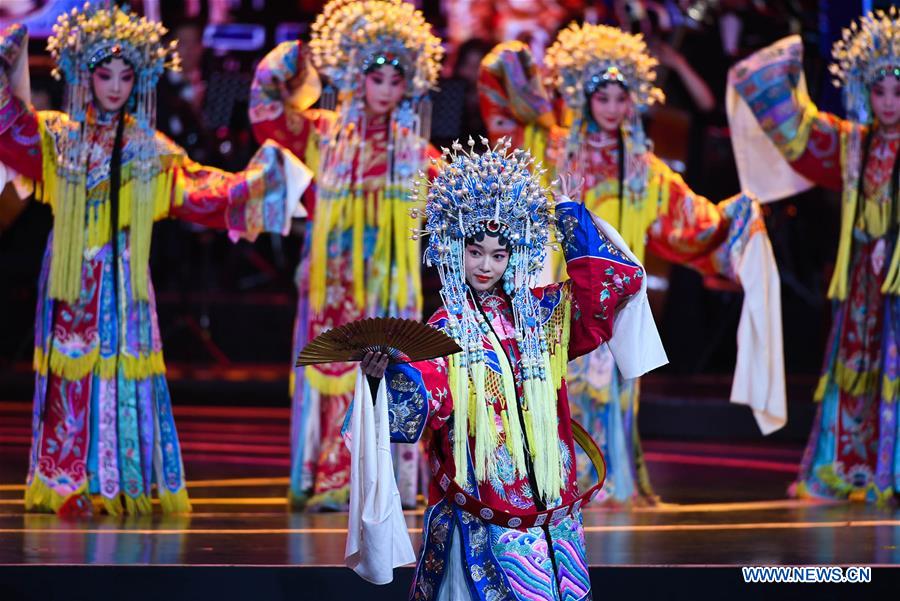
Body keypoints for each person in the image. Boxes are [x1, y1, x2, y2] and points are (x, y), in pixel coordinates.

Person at [0, 5, 310, 516]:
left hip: (123, 279)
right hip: (71, 277)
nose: (115, 87)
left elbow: (200, 190)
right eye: (105, 74)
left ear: (140, 80)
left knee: (122, 375)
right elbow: (11, 130)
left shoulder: (148, 148)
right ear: (83, 75)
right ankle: (65, 479)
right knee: (69, 375)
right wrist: (7, 66)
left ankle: (116, 480)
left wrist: (260, 183)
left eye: (126, 76)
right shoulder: (57, 137)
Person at [478, 23, 784, 505]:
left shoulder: (643, 169)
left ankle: (609, 484)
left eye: (622, 98)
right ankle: (553, 485)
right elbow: (498, 79)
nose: (612, 108)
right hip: (557, 299)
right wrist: (536, 93)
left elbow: (692, 222)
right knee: (558, 387)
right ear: (582, 97)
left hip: (616, 303)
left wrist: (735, 219)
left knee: (613, 388)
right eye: (602, 97)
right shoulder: (550, 148)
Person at [357, 139, 665, 600]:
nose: (486, 265)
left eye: (499, 254)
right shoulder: (443, 330)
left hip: (552, 513)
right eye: (475, 251)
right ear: (452, 248)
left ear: (515, 254)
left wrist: (570, 217)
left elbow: (616, 282)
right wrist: (380, 381)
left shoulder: (542, 316)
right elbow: (420, 400)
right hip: (482, 513)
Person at [249, 0, 443, 510]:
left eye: (396, 80)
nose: (385, 90)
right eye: (376, 77)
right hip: (330, 282)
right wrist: (299, 57)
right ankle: (329, 477)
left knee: (386, 368)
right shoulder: (320, 133)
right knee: (330, 369)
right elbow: (265, 109)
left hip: (388, 284)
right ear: (356, 77)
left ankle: (385, 482)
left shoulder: (416, 151)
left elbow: (456, 207)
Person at [728, 7, 900, 505]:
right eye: (880, 91)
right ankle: (850, 467)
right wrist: (785, 58)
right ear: (864, 92)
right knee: (854, 367)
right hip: (863, 283)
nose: (889, 102)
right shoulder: (852, 144)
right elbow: (798, 132)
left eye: (897, 91)